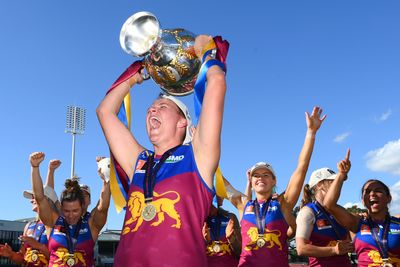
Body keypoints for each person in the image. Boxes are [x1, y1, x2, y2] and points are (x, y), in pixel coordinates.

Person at [96, 34, 228, 266]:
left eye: (162, 107)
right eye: (150, 109)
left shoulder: (197, 157)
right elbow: (105, 112)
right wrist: (135, 76)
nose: (151, 111)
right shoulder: (139, 161)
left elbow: (216, 83)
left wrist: (207, 52)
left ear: (182, 122)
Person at [223, 106, 326, 267]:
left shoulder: (283, 204)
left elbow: (301, 168)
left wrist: (311, 133)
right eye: (256, 175)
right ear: (251, 181)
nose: (260, 178)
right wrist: (198, 147)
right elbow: (219, 181)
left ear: (274, 181)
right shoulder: (243, 204)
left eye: (266, 175)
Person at [30, 151, 111, 267]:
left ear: (82, 206)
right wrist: (35, 167)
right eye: (66, 211)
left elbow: (103, 207)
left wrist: (106, 180)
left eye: (75, 211)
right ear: (61, 207)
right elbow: (40, 198)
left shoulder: (91, 224)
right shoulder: (53, 221)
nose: (71, 215)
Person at [323, 150, 400, 267]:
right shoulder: (357, 222)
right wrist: (341, 174)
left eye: (378, 191)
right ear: (363, 200)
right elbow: (329, 204)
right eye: (367, 192)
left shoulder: (397, 223)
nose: (372, 194)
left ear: (388, 198)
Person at [0, 159, 61, 267]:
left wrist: (39, 246)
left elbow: (60, 259)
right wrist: (11, 255)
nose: (31, 200)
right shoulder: (29, 226)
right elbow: (22, 259)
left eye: (34, 197)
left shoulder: (56, 225)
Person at [296, 166, 354, 267]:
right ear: (319, 185)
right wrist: (334, 250)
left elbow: (350, 242)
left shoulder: (338, 210)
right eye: (332, 181)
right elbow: (301, 248)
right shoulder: (308, 212)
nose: (337, 185)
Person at [203, 196, 241, 266]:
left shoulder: (230, 218)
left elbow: (240, 252)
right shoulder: (198, 219)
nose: (222, 196)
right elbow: (192, 255)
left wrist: (231, 239)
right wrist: (206, 241)